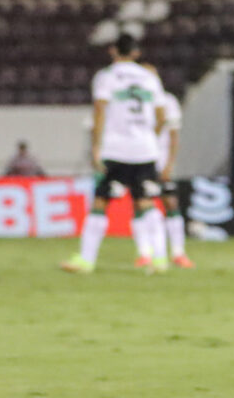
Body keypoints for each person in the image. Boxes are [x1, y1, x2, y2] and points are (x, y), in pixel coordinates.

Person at [61, 33, 168, 274]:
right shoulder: (150, 77)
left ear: (113, 50)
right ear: (136, 53)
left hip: (116, 149)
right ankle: (160, 259)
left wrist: (96, 147)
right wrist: (148, 138)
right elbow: (162, 117)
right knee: (146, 202)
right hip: (145, 150)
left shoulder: (107, 76)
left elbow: (99, 111)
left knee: (101, 201)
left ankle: (86, 260)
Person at [134, 67, 194, 270]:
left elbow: (174, 137)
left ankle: (178, 253)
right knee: (140, 204)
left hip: (160, 161)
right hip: (141, 160)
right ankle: (145, 253)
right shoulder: (136, 102)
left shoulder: (168, 101)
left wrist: (169, 164)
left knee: (170, 202)